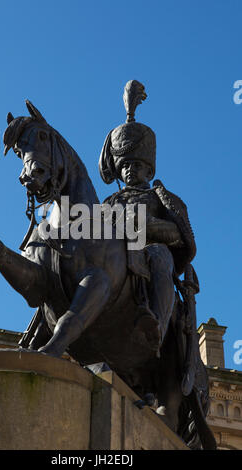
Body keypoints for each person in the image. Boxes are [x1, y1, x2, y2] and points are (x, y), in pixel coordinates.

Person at [99, 80, 196, 356]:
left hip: (150, 253)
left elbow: (178, 235)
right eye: (125, 165)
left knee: (160, 257)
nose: (130, 171)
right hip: (115, 259)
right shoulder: (109, 201)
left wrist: (145, 225)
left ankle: (157, 327)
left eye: (137, 165)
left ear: (148, 169)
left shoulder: (159, 197)